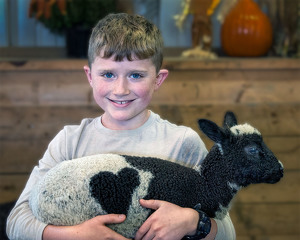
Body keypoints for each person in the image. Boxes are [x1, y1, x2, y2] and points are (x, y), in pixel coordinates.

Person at [6, 13, 235, 240]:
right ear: (90, 76)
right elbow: (16, 222)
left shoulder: (182, 143)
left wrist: (192, 222)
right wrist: (76, 235)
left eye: (136, 75)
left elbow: (227, 233)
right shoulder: (70, 142)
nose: (120, 89)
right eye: (108, 74)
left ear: (158, 79)